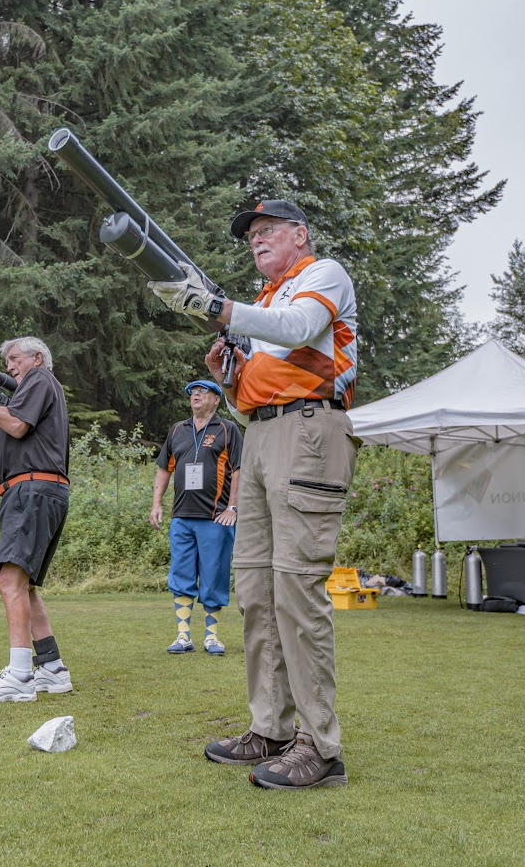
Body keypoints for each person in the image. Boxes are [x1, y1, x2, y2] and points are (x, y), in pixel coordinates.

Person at [149, 199, 359, 790]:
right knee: (256, 590)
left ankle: (320, 746)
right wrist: (227, 374)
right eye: (251, 237)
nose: (257, 241)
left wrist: (220, 309)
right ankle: (269, 727)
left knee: (296, 586)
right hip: (263, 432)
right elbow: (249, 396)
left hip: (311, 431)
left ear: (301, 235)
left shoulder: (323, 275)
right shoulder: (264, 303)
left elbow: (298, 330)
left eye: (268, 232)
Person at [0, 337, 73, 704]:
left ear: (37, 357)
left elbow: (16, 425)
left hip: (33, 490)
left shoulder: (39, 379)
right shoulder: (33, 387)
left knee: (9, 579)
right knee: (24, 585)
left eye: (14, 358)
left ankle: (20, 676)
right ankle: (53, 668)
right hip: (36, 492)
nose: (9, 365)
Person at [150, 379, 242, 656]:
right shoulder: (177, 430)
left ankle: (211, 636)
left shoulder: (228, 429)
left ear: (216, 399)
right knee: (181, 575)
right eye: (192, 393)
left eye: (203, 392)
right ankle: (183, 636)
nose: (196, 396)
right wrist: (156, 504)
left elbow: (239, 470)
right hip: (181, 517)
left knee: (214, 575)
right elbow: (164, 469)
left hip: (216, 517)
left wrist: (232, 508)